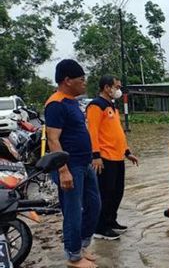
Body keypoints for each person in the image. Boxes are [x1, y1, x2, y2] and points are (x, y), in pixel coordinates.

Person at [45, 59, 100, 268]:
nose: (84, 83)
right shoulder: (56, 104)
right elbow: (53, 139)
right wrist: (63, 169)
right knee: (73, 211)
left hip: (85, 163)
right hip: (71, 166)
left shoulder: (72, 101)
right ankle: (73, 255)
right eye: (81, 79)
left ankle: (83, 245)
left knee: (95, 206)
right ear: (67, 80)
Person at [86, 75, 139, 240]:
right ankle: (100, 227)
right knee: (105, 193)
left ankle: (111, 221)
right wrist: (95, 156)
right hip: (104, 158)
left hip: (117, 157)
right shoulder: (96, 106)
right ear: (107, 88)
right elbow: (92, 132)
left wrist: (127, 152)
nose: (118, 90)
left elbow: (118, 133)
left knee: (117, 192)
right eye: (117, 87)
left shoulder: (112, 107)